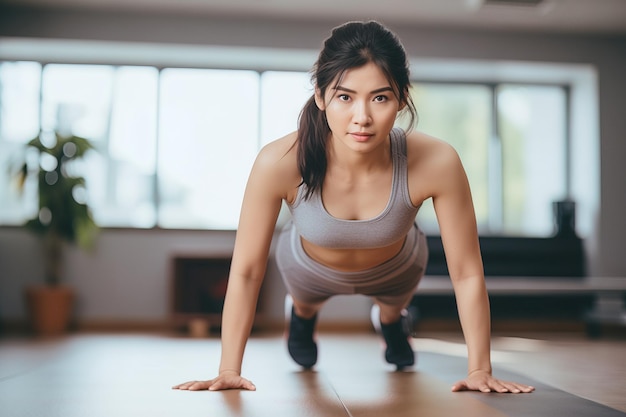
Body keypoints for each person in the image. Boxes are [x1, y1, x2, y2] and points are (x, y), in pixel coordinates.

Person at [173, 20, 535, 394]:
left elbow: (466, 272)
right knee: (306, 303)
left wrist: (480, 369)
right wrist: (228, 367)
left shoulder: (437, 160)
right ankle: (301, 316)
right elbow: (247, 271)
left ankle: (392, 322)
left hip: (397, 268)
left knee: (392, 308)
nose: (362, 117)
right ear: (320, 95)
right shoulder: (279, 161)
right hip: (307, 268)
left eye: (380, 97)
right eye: (345, 97)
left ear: (402, 97)